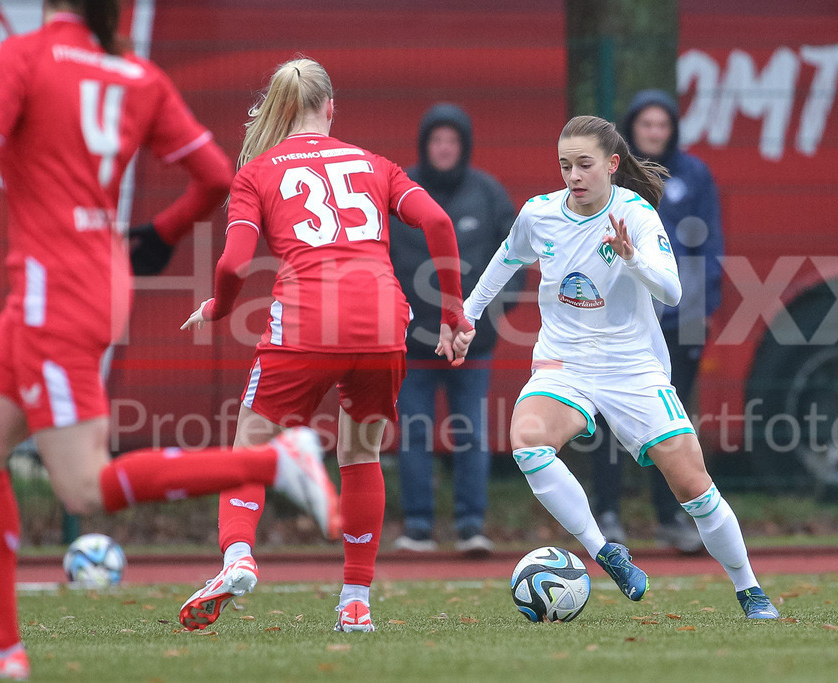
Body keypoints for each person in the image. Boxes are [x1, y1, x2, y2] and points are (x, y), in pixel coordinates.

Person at [0, 5, 338, 680]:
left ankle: (271, 464)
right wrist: (161, 234)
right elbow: (212, 175)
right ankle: (7, 650)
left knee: (83, 486)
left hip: (50, 289)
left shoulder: (26, 58)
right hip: (98, 276)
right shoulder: (137, 75)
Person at [179, 59, 472, 634]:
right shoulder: (375, 163)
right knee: (360, 455)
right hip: (384, 319)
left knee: (249, 447)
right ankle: (355, 601)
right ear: (330, 108)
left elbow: (235, 260)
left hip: (308, 320)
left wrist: (220, 307)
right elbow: (438, 221)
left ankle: (238, 557)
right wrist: (454, 313)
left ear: (281, 110)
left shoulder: (257, 172)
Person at [460, 115, 777, 618]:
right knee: (527, 440)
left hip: (633, 367)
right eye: (565, 166)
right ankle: (605, 550)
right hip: (564, 364)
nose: (574, 176)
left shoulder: (637, 214)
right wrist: (467, 315)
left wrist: (632, 259)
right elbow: (506, 257)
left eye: (584, 164)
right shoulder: (539, 213)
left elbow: (672, 291)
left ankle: (749, 588)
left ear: (611, 165)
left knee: (692, 484)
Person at [588, 89, 724, 552]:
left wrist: (700, 310)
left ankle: (673, 519)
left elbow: (708, 248)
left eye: (661, 125)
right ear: (632, 130)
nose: (654, 133)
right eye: (646, 125)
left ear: (672, 130)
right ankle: (607, 515)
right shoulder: (611, 175)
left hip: (676, 320)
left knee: (671, 422)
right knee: (605, 418)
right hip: (617, 321)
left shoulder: (694, 176)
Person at [388, 103, 518, 555]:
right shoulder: (399, 191)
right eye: (436, 141)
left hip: (471, 343)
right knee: (414, 433)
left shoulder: (488, 193)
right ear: (425, 146)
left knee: (471, 433)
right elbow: (376, 256)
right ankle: (418, 528)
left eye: (452, 141)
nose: (444, 149)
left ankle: (470, 528)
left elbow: (517, 257)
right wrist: (395, 318)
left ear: (463, 147)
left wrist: (485, 319)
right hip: (411, 344)